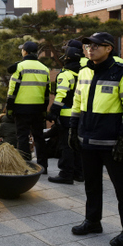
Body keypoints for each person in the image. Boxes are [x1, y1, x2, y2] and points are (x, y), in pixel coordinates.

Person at [69, 32, 123, 246]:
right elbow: (78, 100)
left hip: (111, 143)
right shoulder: (84, 72)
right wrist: (73, 129)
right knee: (91, 183)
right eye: (87, 46)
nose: (90, 49)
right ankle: (92, 221)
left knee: (122, 187)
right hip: (87, 138)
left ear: (109, 48)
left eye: (96, 46)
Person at [6, 41, 50, 173]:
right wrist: (44, 109)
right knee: (39, 137)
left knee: (23, 137)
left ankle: (25, 166)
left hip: (21, 108)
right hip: (38, 108)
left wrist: (9, 107)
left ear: (25, 52)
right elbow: (47, 93)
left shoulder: (19, 67)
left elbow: (13, 89)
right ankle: (43, 166)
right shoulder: (44, 68)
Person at [47, 46, 83, 184]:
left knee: (66, 145)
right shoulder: (84, 72)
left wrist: (53, 113)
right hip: (80, 114)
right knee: (77, 145)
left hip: (67, 115)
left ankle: (66, 174)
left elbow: (61, 95)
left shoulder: (65, 74)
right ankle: (79, 174)